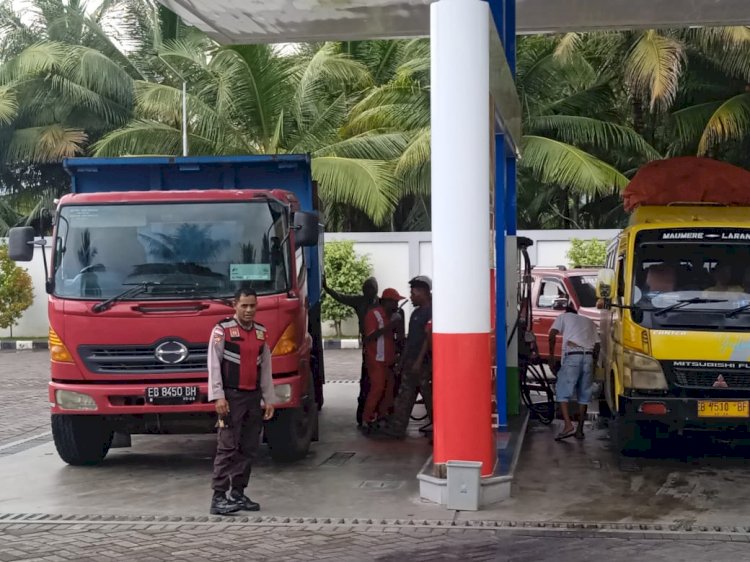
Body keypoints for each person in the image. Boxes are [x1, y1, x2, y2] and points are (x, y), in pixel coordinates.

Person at [208, 287, 276, 515]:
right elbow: (214, 365)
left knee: (248, 447)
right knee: (227, 446)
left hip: (252, 397)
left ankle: (237, 493)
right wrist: (218, 396)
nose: (249, 310)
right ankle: (218, 497)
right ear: (234, 305)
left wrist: (269, 399)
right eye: (244, 305)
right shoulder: (222, 330)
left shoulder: (260, 333)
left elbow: (266, 368)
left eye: (252, 306)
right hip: (231, 397)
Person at [378, 276, 433, 438]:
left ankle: (438, 429)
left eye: (413, 292)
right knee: (404, 396)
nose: (411, 296)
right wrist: (402, 363)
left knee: (430, 398)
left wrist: (418, 361)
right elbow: (410, 341)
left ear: (423, 292)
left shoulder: (431, 312)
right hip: (411, 363)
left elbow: (427, 339)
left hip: (424, 364)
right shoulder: (415, 313)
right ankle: (397, 428)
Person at [323, 276, 380, 425]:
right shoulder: (359, 301)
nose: (368, 291)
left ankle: (375, 413)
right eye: (366, 288)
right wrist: (327, 288)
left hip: (380, 345)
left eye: (371, 288)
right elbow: (341, 297)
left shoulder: (381, 303)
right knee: (366, 379)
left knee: (378, 381)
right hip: (367, 346)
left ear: (376, 290)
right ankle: (362, 415)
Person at [548, 304, 599, 441]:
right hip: (588, 357)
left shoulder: (563, 316)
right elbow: (597, 345)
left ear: (567, 312)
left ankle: (568, 425)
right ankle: (580, 430)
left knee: (562, 391)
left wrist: (551, 357)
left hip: (573, 356)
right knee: (584, 394)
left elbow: (552, 335)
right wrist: (593, 364)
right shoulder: (589, 321)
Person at [361, 288, 405, 430]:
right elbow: (369, 337)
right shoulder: (373, 315)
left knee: (389, 389)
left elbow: (397, 338)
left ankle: (382, 416)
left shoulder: (391, 315)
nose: (397, 306)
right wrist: (390, 326)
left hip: (389, 359)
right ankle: (367, 419)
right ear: (387, 301)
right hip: (376, 359)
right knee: (377, 388)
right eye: (395, 302)